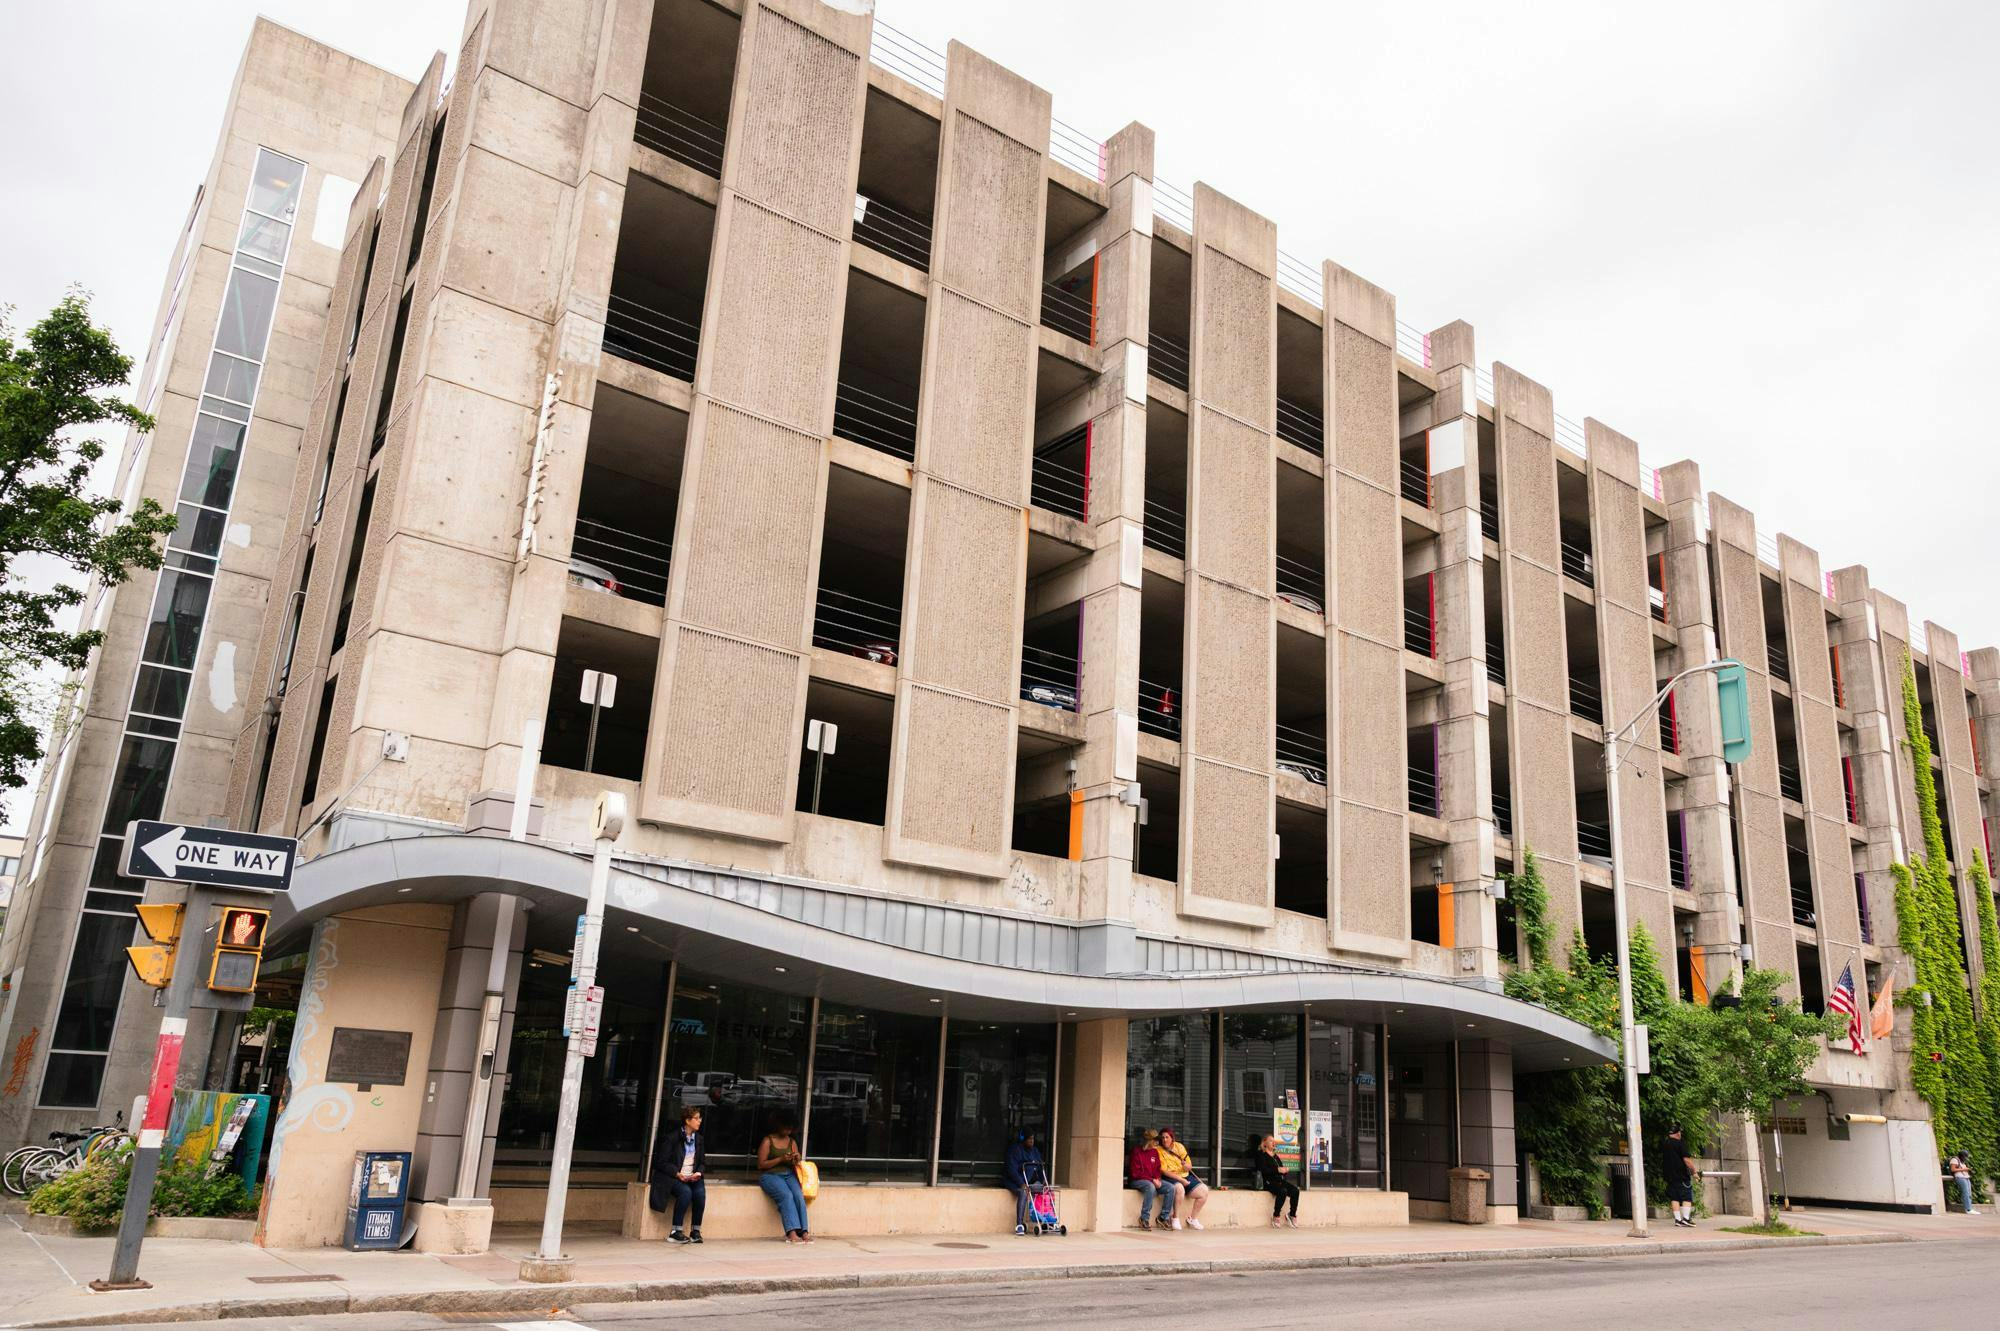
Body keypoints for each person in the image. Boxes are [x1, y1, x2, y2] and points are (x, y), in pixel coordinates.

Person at [649, 1105, 708, 1244]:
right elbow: (660, 1162)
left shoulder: (699, 1139)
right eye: (697, 1118)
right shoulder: (671, 1138)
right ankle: (676, 1232)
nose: (700, 1121)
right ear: (687, 1121)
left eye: (700, 1118)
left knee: (700, 1194)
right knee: (686, 1193)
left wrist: (699, 1172)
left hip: (692, 1176)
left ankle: (695, 1231)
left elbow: (703, 1162)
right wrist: (677, 1173)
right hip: (674, 1176)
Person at [757, 1109, 811, 1242]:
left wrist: (795, 1158)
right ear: (779, 1125)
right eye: (786, 1128)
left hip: (788, 1174)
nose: (788, 1131)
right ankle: (791, 1232)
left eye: (790, 1129)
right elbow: (761, 1165)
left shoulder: (792, 1142)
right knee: (786, 1196)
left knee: (799, 1196)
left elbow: (795, 1163)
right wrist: (780, 1159)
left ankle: (803, 1231)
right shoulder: (768, 1141)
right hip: (770, 1175)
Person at [1155, 1127, 1209, 1230]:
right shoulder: (1159, 1150)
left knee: (1204, 1191)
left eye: (1167, 1137)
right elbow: (1164, 1171)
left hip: (1185, 1175)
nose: (1164, 1140)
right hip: (1170, 1177)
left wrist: (1186, 1166)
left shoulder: (1179, 1146)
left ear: (1172, 1138)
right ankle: (1175, 1218)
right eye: (1162, 1138)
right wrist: (1181, 1180)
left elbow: (1189, 1166)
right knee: (1179, 1188)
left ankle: (1193, 1219)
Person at [1128, 1128, 1177, 1230]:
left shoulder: (1154, 1152)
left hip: (1152, 1180)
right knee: (1150, 1187)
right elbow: (1135, 1173)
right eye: (1155, 1140)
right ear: (1149, 1140)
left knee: (1171, 1187)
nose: (1158, 1142)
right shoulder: (1137, 1152)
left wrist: (1158, 1179)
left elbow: (1157, 1169)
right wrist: (1152, 1180)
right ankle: (1144, 1218)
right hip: (1137, 1181)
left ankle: (1163, 1218)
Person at [1004, 1129, 1047, 1235]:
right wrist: (1021, 1183)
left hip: (1030, 1182)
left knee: (1046, 1191)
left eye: (1032, 1138)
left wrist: (1044, 1181)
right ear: (1023, 1139)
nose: (1031, 1141)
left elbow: (1040, 1167)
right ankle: (1019, 1224)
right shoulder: (1015, 1150)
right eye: (1029, 1139)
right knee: (1023, 1192)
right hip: (1015, 1182)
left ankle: (1047, 1221)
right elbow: (1011, 1169)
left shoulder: (1035, 1151)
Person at [1254, 1134, 1300, 1227]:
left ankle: (1292, 1215)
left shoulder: (1275, 1156)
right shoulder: (1261, 1155)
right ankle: (1276, 1216)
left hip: (1280, 1181)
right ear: (1265, 1143)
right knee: (1282, 1191)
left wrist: (1284, 1170)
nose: (1273, 1143)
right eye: (1271, 1141)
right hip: (1269, 1182)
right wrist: (1277, 1170)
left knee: (1295, 1191)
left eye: (1274, 1141)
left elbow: (1280, 1169)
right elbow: (1263, 1170)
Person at [1661, 1126, 1698, 1227]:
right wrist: (1694, 1172)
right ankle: (1686, 1219)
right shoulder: (1680, 1144)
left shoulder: (1665, 1144)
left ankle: (1678, 1220)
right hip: (1681, 1175)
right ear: (1678, 1134)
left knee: (1674, 1197)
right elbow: (1687, 1160)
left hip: (1669, 1175)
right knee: (1687, 1197)